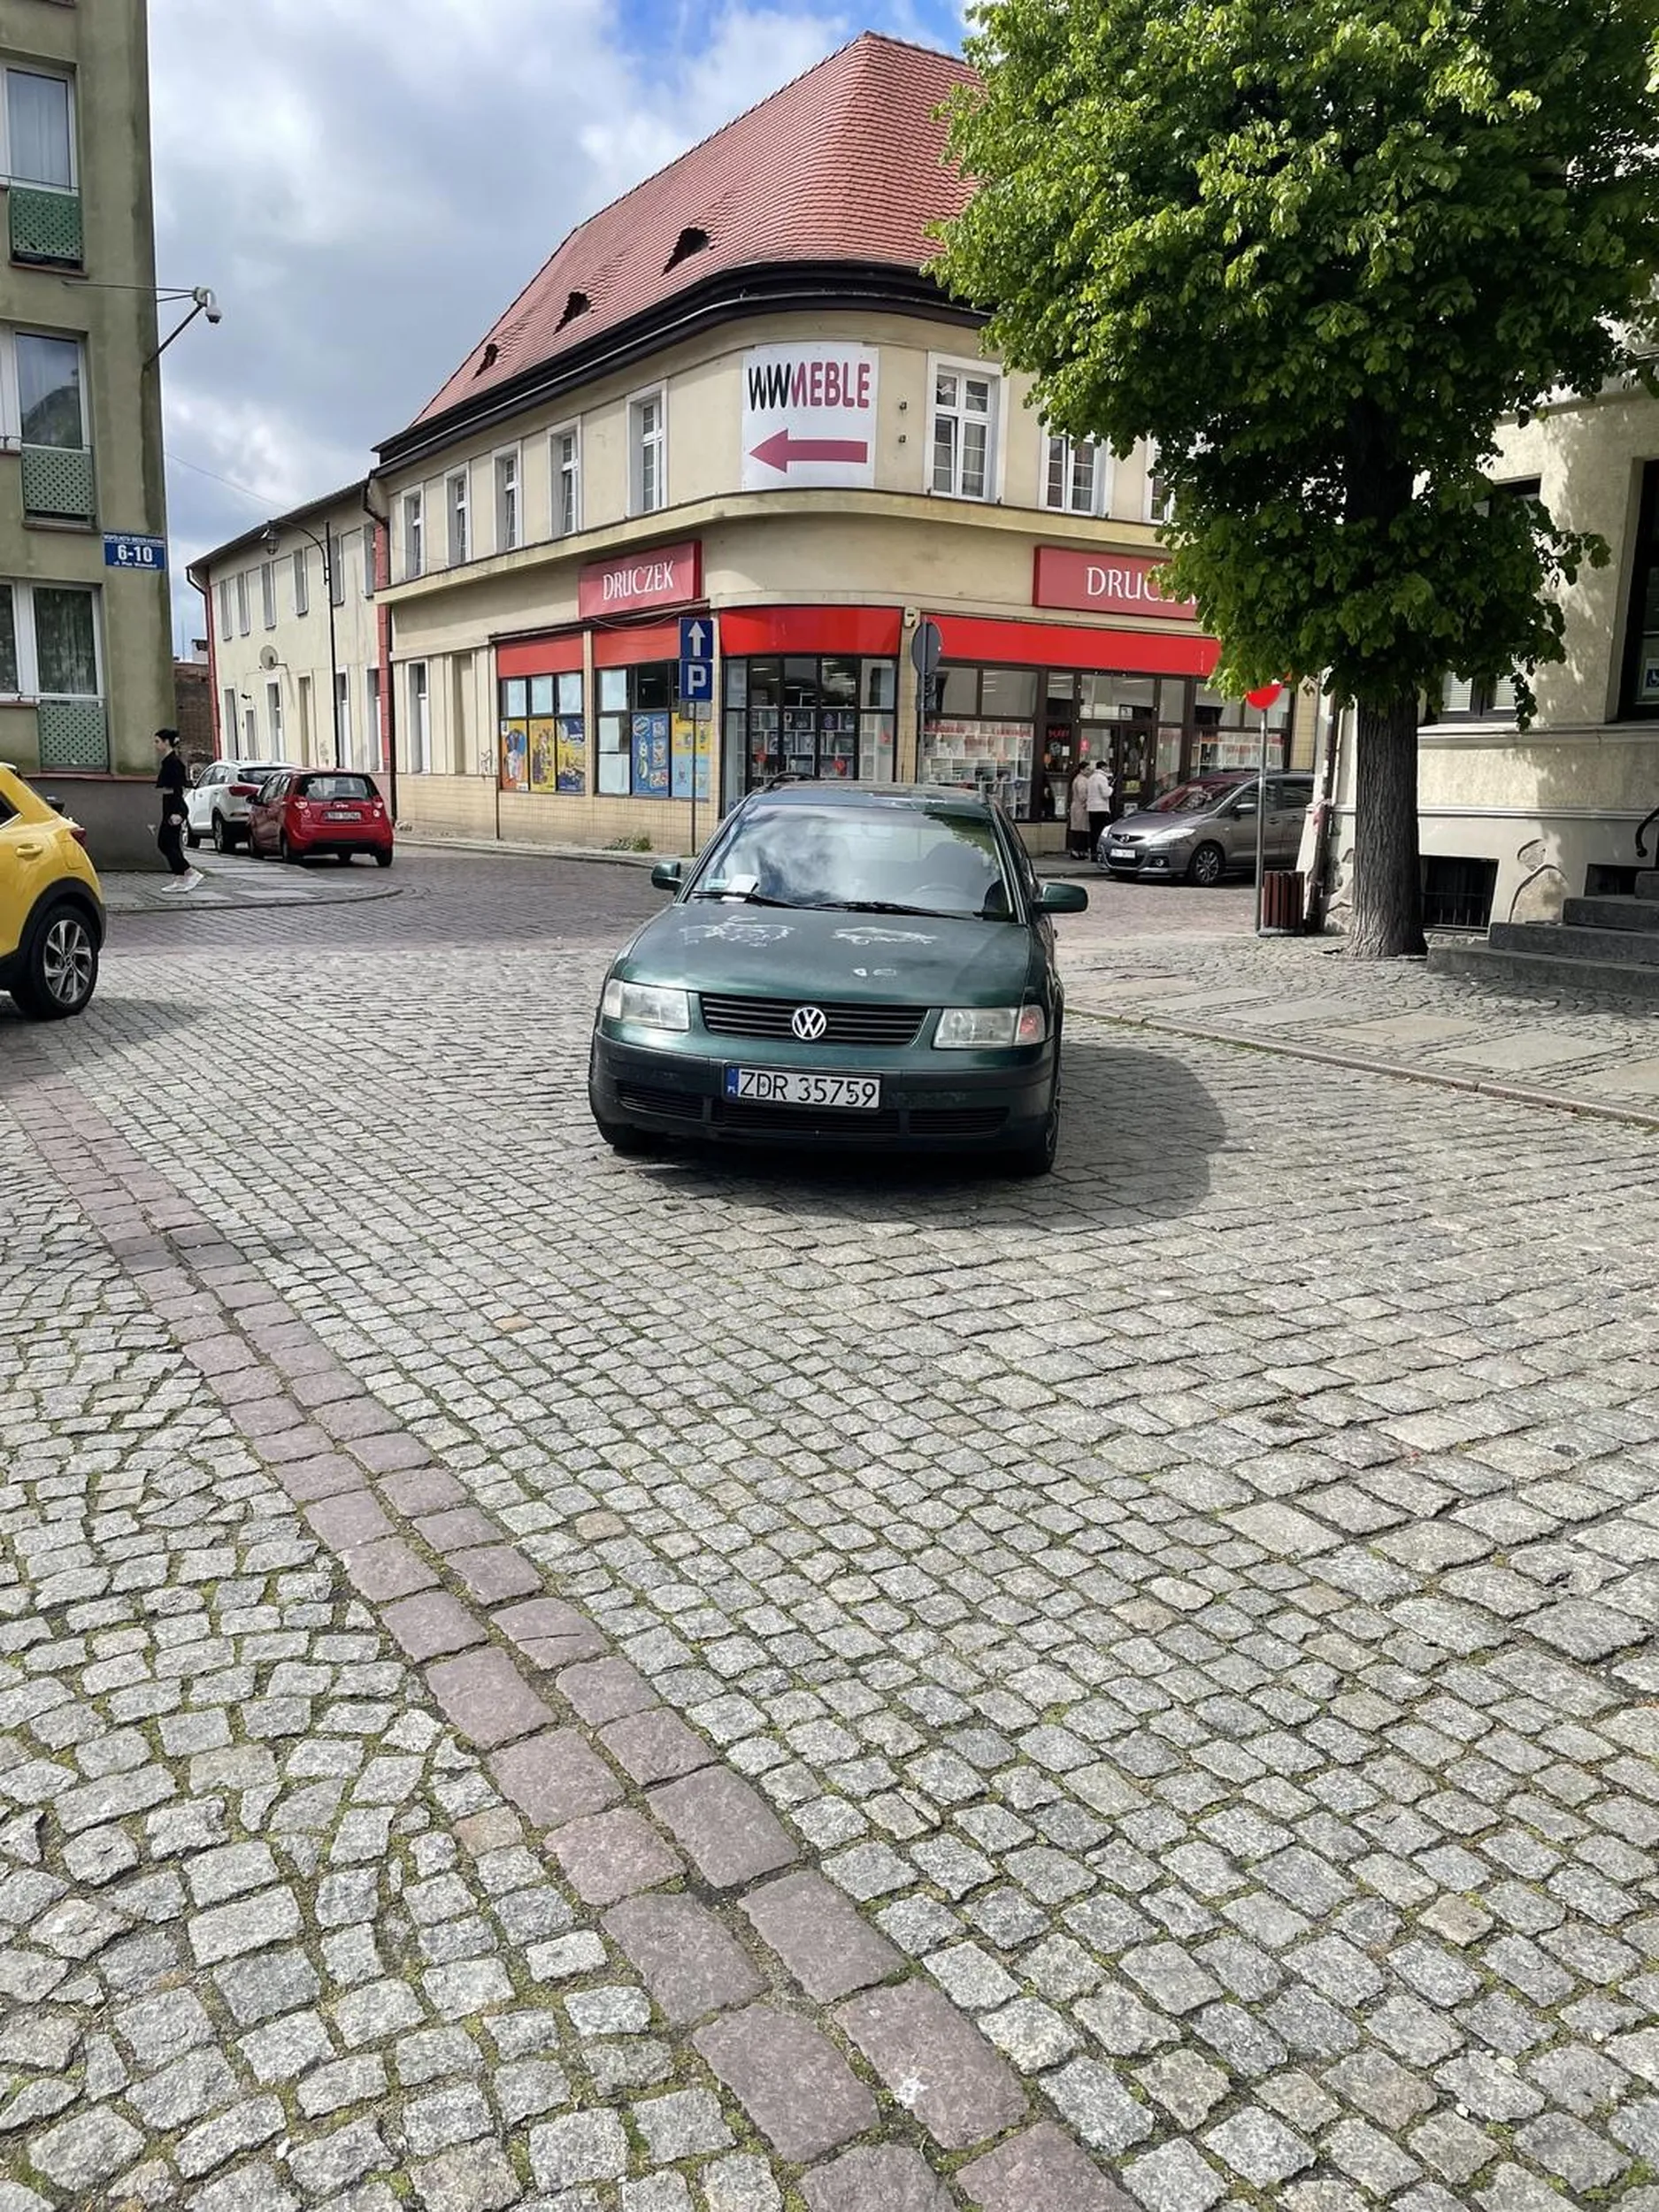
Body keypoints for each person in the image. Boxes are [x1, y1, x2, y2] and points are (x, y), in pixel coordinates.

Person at [154, 728, 202, 893]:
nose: (155, 745)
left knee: (165, 843)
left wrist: (178, 813)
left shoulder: (173, 762)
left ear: (166, 742)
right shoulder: (168, 761)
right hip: (169, 805)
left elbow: (177, 789)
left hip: (174, 806)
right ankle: (180, 878)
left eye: (157, 741)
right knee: (170, 843)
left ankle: (190, 872)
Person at [1087, 756, 1116, 858]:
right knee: (1103, 832)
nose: (1108, 769)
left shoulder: (1091, 778)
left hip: (1091, 808)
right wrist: (1111, 787)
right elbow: (1105, 793)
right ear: (1103, 768)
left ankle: (1093, 853)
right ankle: (1102, 854)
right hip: (1101, 809)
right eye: (1107, 767)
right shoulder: (1102, 778)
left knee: (1094, 831)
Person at [1067, 761, 1091, 858]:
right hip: (1080, 807)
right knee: (1080, 830)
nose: (1089, 771)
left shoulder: (1079, 779)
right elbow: (1082, 795)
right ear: (1082, 770)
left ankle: (1079, 850)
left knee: (1078, 829)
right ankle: (1078, 851)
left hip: (1077, 806)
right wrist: (1088, 799)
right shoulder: (1081, 780)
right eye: (1088, 769)